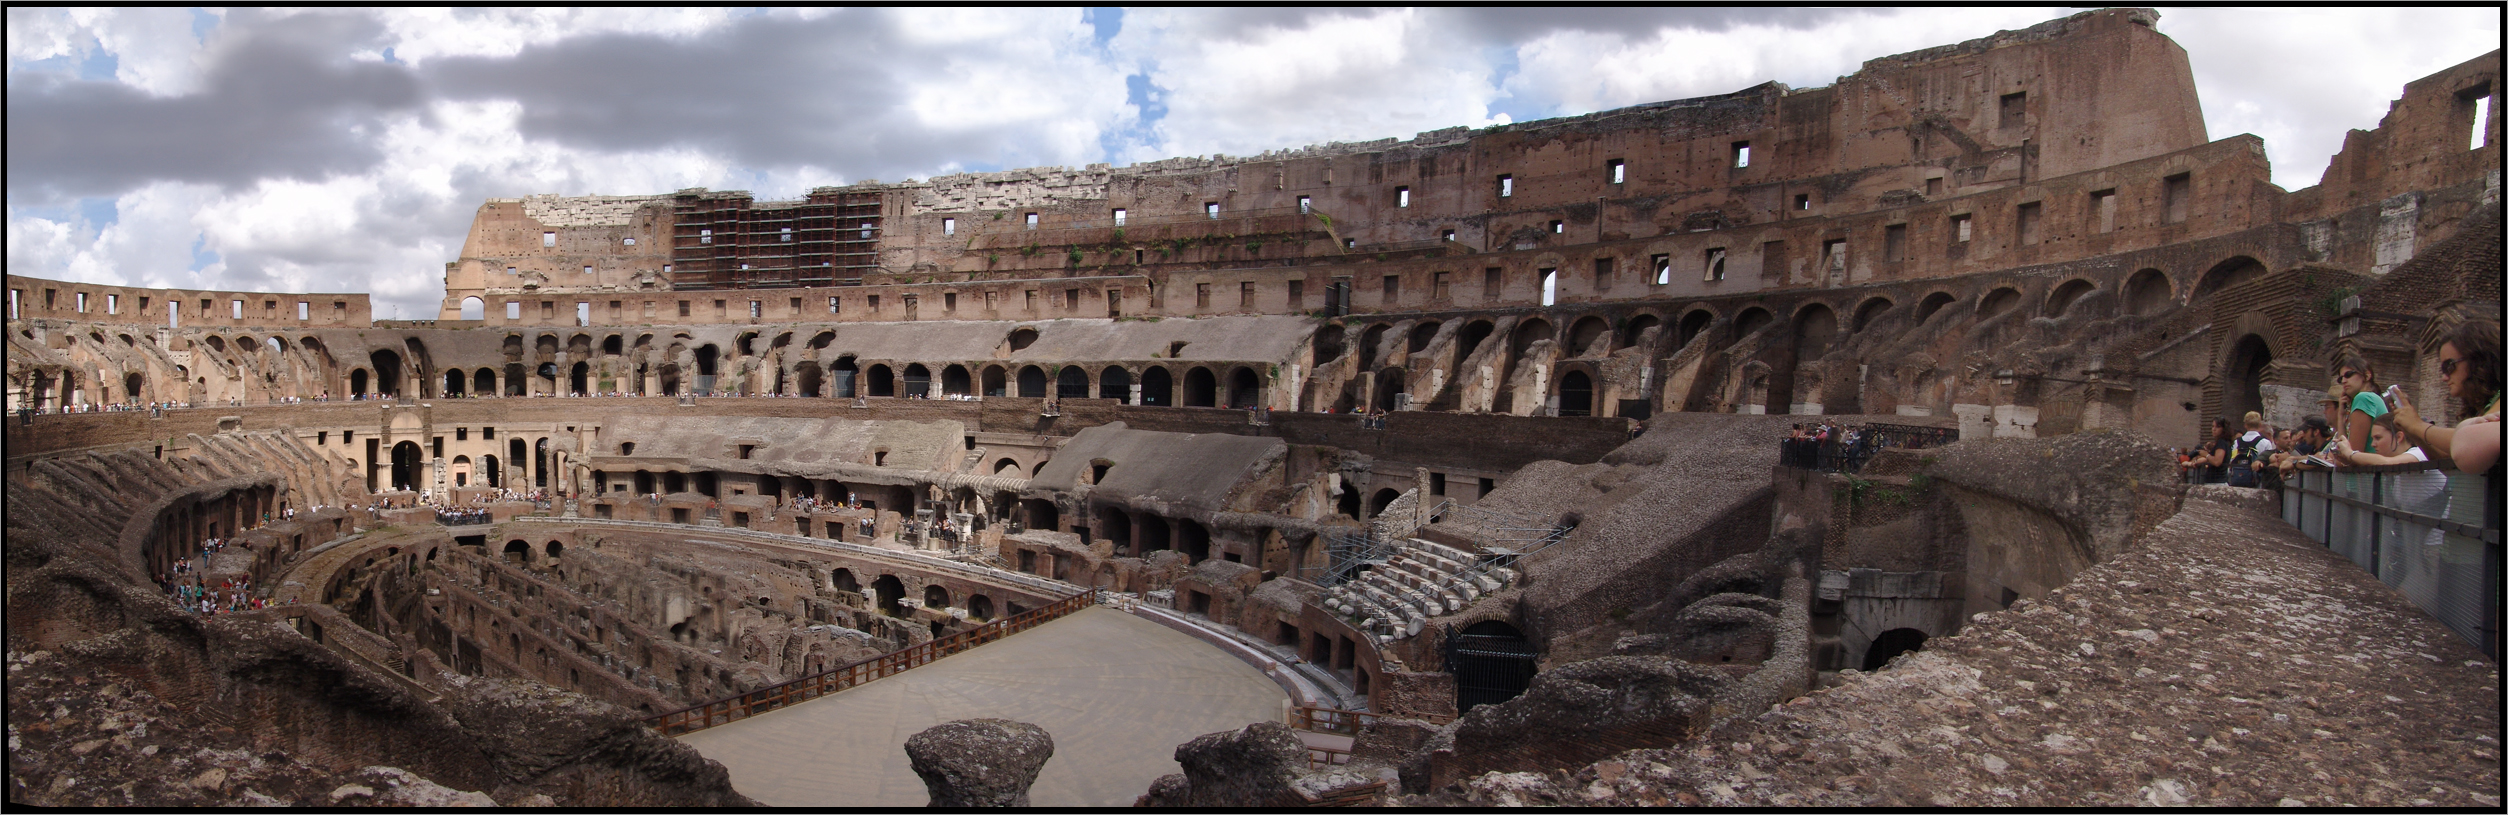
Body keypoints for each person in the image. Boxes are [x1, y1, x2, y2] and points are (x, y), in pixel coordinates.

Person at [2388, 319, 2502, 476]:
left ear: (2479, 360)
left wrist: (2418, 426)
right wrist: (2411, 430)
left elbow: (2469, 442)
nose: (2444, 377)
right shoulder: (2483, 407)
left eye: (2449, 366)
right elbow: (2448, 462)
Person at [2330, 354, 2388, 463]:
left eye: (2348, 375)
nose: (2343, 381)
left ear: (2366, 375)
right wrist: (2341, 416)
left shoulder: (2364, 398)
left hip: (2367, 475)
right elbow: (2344, 447)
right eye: (2341, 378)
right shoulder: (2372, 398)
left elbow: (2351, 454)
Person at [2224, 411, 2276, 487]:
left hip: (2237, 479)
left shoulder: (2237, 442)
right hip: (2257, 482)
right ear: (2260, 425)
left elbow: (2232, 459)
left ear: (2245, 425)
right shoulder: (2265, 442)